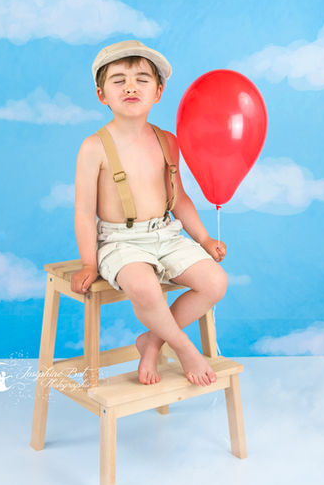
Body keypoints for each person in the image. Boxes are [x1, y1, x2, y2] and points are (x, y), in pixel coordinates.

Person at [71, 40, 228, 387]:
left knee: (216, 282)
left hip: (165, 233)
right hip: (120, 241)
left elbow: (180, 199)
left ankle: (152, 342)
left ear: (158, 92)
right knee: (144, 287)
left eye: (142, 79)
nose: (130, 86)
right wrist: (88, 263)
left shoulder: (167, 140)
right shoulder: (94, 147)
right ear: (102, 94)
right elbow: (84, 212)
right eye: (118, 80)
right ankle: (185, 349)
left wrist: (203, 238)